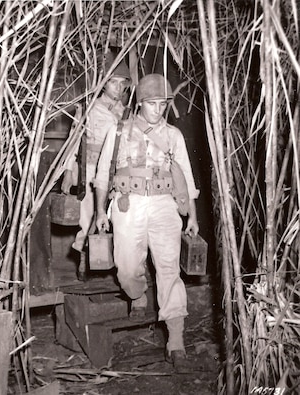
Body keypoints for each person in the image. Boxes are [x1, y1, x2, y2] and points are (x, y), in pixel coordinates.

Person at [94, 73, 200, 373]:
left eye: (163, 103)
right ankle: (138, 293)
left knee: (169, 268)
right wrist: (101, 212)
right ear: (140, 103)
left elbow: (187, 180)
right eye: (152, 103)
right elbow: (102, 176)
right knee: (127, 268)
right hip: (128, 205)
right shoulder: (118, 132)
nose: (158, 109)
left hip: (164, 205)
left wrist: (192, 215)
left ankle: (176, 341)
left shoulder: (173, 135)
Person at [61, 53, 131, 281]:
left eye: (123, 84)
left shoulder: (127, 113)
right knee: (87, 218)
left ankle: (110, 263)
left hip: (117, 172)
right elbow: (73, 140)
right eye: (114, 82)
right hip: (90, 170)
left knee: (115, 218)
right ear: (104, 82)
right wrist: (69, 171)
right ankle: (82, 259)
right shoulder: (89, 108)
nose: (118, 88)